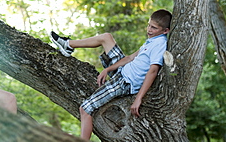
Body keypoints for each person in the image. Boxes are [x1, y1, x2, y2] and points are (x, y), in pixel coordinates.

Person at [50, 9, 172, 140]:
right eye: (149, 25)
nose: (149, 29)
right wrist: (108, 69)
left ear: (165, 31)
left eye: (154, 28)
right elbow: (130, 57)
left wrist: (138, 98)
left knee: (85, 109)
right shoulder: (151, 40)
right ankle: (69, 45)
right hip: (123, 71)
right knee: (106, 37)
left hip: (124, 82)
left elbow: (153, 71)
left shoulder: (160, 44)